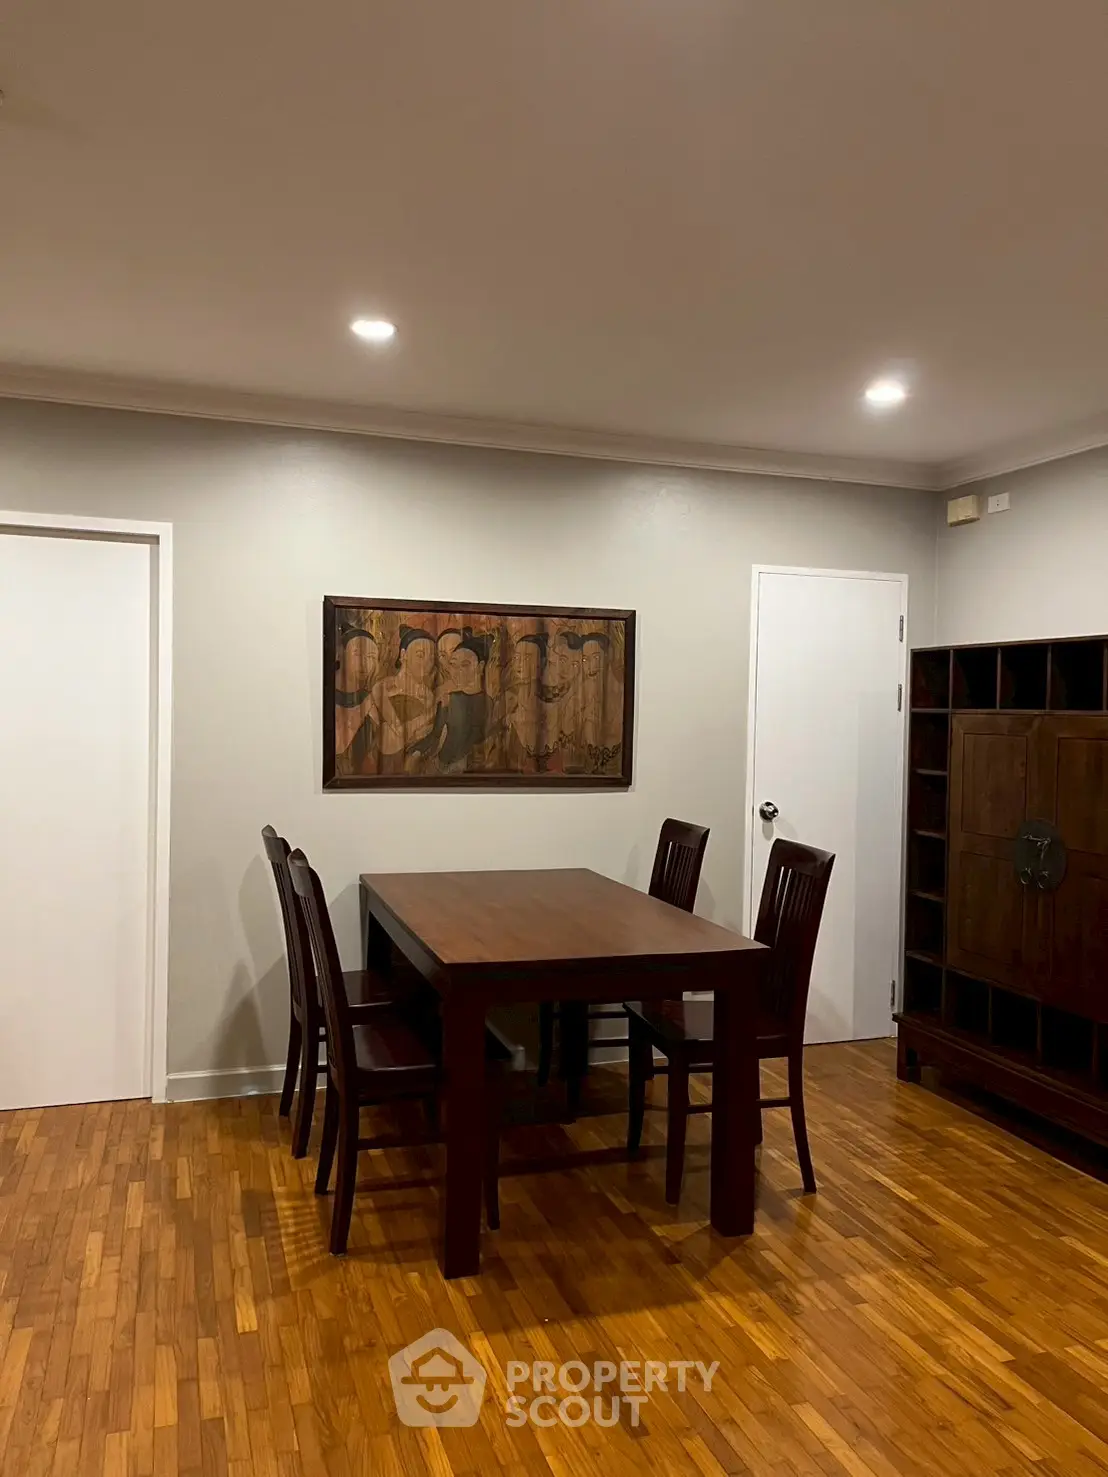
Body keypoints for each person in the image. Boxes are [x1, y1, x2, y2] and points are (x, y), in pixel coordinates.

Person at [409, 630, 494, 771]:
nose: (456, 671)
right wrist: (416, 753)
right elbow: (435, 735)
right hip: (443, 766)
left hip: (472, 770)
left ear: (480, 667)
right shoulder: (448, 699)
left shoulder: (490, 703)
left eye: (465, 665)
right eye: (453, 665)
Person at [370, 626, 438, 758]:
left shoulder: (429, 696)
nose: (426, 663)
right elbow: (399, 730)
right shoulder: (383, 687)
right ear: (403, 655)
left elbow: (424, 737)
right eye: (420, 655)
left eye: (431, 658)